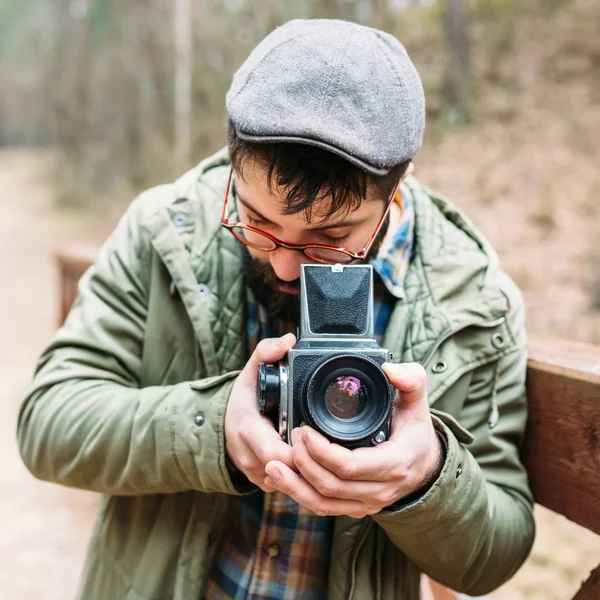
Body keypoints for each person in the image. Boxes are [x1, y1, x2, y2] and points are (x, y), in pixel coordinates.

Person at [17, 18, 535, 600]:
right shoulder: (166, 230)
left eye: (331, 238)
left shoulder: (473, 302)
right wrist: (214, 430)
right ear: (234, 164)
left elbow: (496, 555)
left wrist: (428, 478)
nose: (287, 267)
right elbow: (47, 423)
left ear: (399, 187)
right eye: (258, 223)